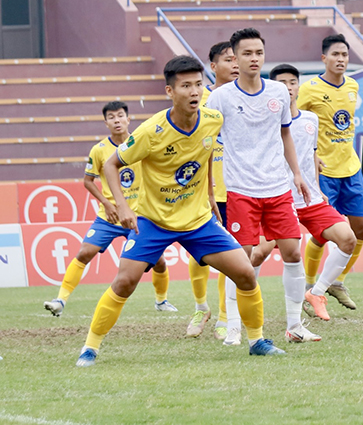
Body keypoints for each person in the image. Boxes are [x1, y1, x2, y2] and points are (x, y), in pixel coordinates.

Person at [76, 55, 282, 367]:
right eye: (186, 85)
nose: (194, 91)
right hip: (153, 221)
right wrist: (122, 207)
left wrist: (211, 193)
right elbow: (110, 164)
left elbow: (209, 151)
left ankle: (257, 341)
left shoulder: (212, 120)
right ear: (171, 92)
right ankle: (90, 348)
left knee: (244, 273)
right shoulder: (151, 131)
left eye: (198, 84)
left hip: (198, 221)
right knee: (125, 282)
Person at [204, 28, 319, 345]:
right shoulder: (221, 98)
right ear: (235, 58)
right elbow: (205, 143)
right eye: (246, 54)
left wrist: (296, 173)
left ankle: (294, 325)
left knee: (293, 252)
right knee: (240, 260)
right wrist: (207, 188)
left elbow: (285, 135)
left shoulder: (278, 93)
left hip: (278, 188)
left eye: (258, 53)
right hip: (241, 189)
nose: (254, 59)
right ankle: (233, 325)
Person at [44, 102, 175, 317]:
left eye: (120, 115)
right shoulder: (99, 150)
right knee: (85, 252)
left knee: (159, 261)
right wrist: (106, 203)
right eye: (111, 117)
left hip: (141, 216)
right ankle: (60, 300)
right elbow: (88, 181)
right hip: (110, 217)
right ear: (106, 123)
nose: (116, 120)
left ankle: (161, 301)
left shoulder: (141, 142)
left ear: (128, 119)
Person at [251, 64, 357, 323]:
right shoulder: (265, 122)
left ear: (299, 86)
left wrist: (319, 189)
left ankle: (317, 293)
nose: (288, 87)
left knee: (347, 239)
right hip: (279, 199)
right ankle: (245, 302)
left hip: (309, 199)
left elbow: (311, 155)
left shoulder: (311, 119)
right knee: (258, 253)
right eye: (282, 83)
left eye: (292, 82)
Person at [297, 34, 363, 310]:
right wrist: (307, 159)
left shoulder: (352, 85)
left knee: (361, 228)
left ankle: (336, 281)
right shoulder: (309, 89)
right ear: (324, 58)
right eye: (335, 55)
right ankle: (310, 286)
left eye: (345, 55)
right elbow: (293, 124)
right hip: (323, 172)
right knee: (322, 233)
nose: (341, 60)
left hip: (351, 168)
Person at [187, 41, 240, 339]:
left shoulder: (243, 97)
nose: (234, 64)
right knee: (197, 255)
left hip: (234, 187)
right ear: (213, 65)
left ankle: (223, 317)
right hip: (201, 189)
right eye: (228, 59)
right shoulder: (200, 98)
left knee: (227, 254)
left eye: (237, 59)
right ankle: (200, 306)